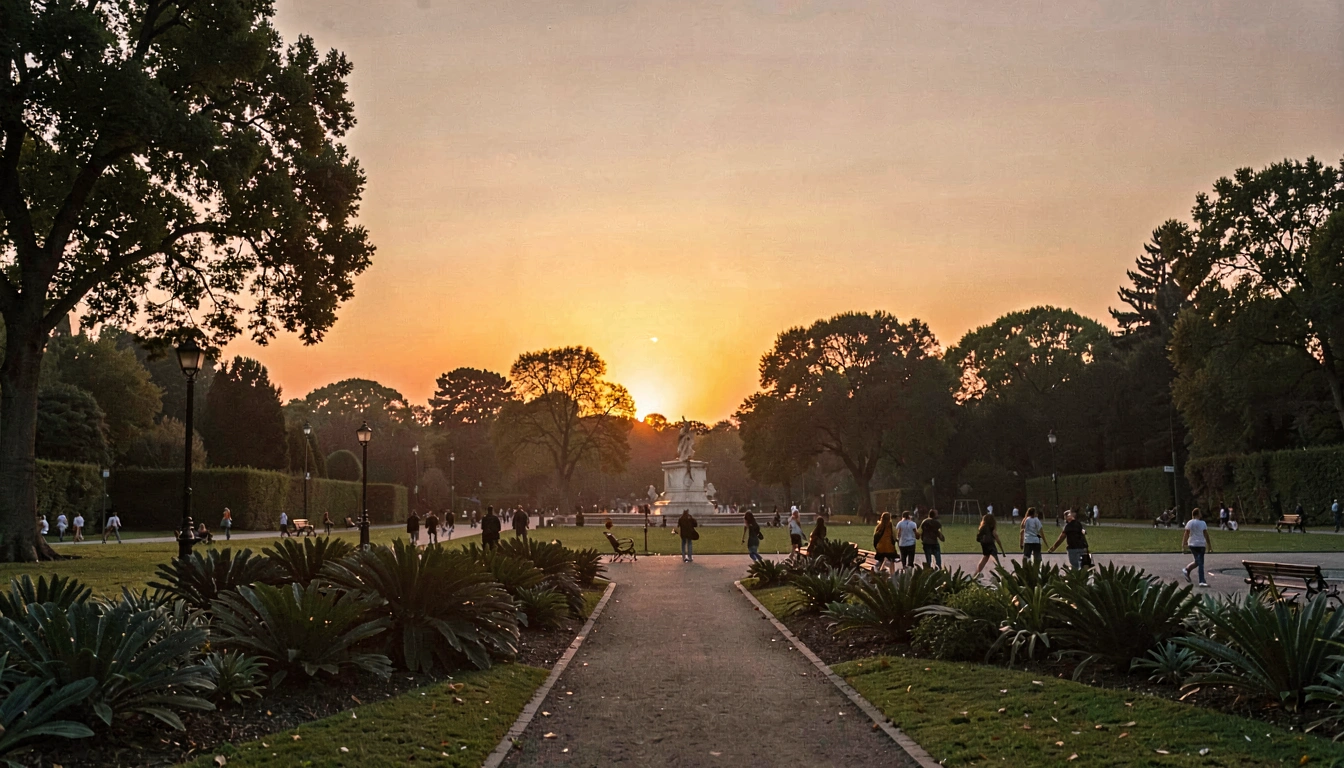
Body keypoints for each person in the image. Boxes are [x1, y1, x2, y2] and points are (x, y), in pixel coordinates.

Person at [1182, 508, 1211, 587]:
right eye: (1200, 513)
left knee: (1198, 562)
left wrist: (1184, 543)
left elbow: (1186, 533)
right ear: (1197, 514)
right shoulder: (1202, 523)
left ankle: (1187, 569)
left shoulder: (1190, 522)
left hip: (1192, 544)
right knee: (1200, 562)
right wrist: (1209, 545)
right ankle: (1201, 580)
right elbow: (1206, 534)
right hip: (1200, 544)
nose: (1201, 514)